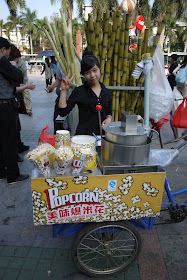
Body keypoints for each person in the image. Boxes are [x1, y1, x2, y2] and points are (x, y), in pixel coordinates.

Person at [58, 55, 112, 135]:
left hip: (102, 137)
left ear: (99, 69)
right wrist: (64, 90)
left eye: (94, 70)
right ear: (83, 74)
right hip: (83, 137)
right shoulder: (79, 91)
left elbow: (109, 113)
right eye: (87, 72)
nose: (92, 75)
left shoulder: (107, 92)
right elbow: (63, 112)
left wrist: (109, 119)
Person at [0, 37, 29, 184]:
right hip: (4, 106)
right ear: (3, 50)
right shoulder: (1, 60)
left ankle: (1, 171)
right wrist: (14, 66)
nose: (8, 54)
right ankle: (13, 175)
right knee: (10, 141)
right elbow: (18, 76)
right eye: (8, 51)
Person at [9, 45, 32, 116]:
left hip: (23, 82)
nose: (17, 59)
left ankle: (29, 110)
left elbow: (23, 71)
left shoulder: (21, 62)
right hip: (14, 84)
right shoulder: (8, 62)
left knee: (27, 96)